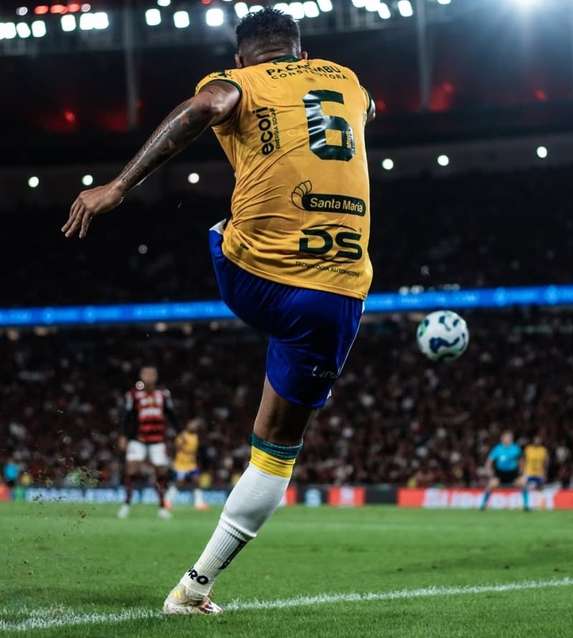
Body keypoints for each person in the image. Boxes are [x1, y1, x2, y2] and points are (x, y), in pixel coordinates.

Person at [63, 8, 374, 615]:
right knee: (279, 450)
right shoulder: (348, 81)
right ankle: (195, 586)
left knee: (222, 227)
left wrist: (118, 186)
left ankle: (193, 590)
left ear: (241, 58)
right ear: (302, 51)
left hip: (251, 277)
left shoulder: (239, 82)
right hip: (336, 296)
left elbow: (207, 107)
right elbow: (368, 109)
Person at [118, 366, 177, 520]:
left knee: (161, 473)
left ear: (156, 377)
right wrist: (123, 435)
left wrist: (179, 432)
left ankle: (162, 506)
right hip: (138, 439)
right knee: (131, 471)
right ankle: (126, 504)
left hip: (158, 440)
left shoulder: (163, 394)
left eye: (152, 374)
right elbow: (126, 416)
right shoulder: (133, 395)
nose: (149, 377)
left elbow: (171, 414)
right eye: (146, 374)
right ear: (141, 376)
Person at [166, 418, 208, 511]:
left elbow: (197, 450)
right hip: (181, 464)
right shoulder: (182, 436)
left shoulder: (196, 437)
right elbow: (175, 448)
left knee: (197, 481)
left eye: (196, 426)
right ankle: (168, 501)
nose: (193, 426)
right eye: (192, 424)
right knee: (179, 483)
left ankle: (199, 503)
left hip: (192, 464)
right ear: (187, 425)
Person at [480, 431, 522, 511]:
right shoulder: (497, 449)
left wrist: (521, 470)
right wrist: (488, 470)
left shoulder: (515, 448)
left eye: (509, 438)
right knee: (490, 485)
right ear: (502, 439)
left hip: (512, 473)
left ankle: (526, 506)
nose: (508, 439)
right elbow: (489, 461)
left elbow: (521, 460)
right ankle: (483, 505)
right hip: (500, 473)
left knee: (523, 484)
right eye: (506, 438)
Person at [519, 435, 548, 512]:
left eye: (538, 440)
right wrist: (522, 470)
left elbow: (545, 462)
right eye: (535, 440)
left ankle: (542, 506)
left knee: (541, 489)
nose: (537, 442)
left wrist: (545, 473)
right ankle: (525, 505)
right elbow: (523, 459)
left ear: (541, 442)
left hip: (539, 473)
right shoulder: (528, 449)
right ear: (533, 441)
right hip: (528, 472)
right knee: (523, 485)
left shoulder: (543, 450)